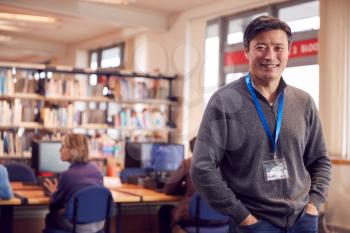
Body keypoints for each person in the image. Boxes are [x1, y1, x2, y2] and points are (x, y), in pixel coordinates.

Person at [190, 15, 332, 233]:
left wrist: (313, 204)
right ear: (246, 51)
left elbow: (320, 159)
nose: (270, 56)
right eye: (261, 47)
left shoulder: (303, 102)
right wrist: (242, 216)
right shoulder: (225, 101)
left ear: (288, 51)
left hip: (303, 220)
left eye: (278, 47)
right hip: (254, 223)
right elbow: (202, 167)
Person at [43, 133, 104, 233]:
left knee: (51, 215)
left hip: (78, 227)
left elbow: (55, 202)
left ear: (73, 150)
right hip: (98, 225)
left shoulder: (67, 175)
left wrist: (53, 192)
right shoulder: (96, 170)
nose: (59, 150)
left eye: (63, 146)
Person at [159, 137, 196, 233]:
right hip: (221, 222)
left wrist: (184, 188)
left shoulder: (188, 163)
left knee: (164, 211)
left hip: (190, 218)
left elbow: (169, 188)